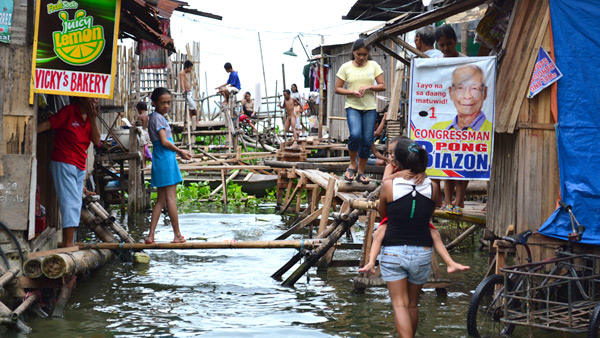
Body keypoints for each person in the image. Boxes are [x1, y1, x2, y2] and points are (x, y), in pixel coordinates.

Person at [356, 137, 437, 338]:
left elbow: (385, 215)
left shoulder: (389, 186)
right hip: (422, 251)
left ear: (397, 163)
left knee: (399, 305)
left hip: (394, 250)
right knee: (412, 304)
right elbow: (433, 208)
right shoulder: (433, 186)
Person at [360, 136, 469, 275]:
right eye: (389, 153)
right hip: (402, 215)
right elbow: (385, 180)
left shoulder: (420, 176)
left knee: (435, 234)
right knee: (380, 232)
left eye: (393, 153)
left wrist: (422, 174)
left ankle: (450, 262)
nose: (390, 156)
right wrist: (398, 174)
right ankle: (371, 262)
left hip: (403, 215)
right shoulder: (392, 168)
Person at [37, 97, 101, 247]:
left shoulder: (91, 118)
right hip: (64, 161)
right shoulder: (69, 112)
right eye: (91, 97)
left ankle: (68, 241)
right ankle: (68, 243)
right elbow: (49, 124)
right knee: (71, 203)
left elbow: (97, 141)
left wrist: (92, 118)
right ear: (81, 98)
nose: (94, 101)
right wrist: (30, 132)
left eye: (97, 98)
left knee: (74, 202)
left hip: (79, 164)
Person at [431, 64, 491, 214]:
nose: (467, 96)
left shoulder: (488, 129)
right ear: (451, 93)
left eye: (475, 88)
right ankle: (447, 200)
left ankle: (459, 200)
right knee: (446, 165)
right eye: (460, 88)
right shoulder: (437, 128)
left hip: (469, 168)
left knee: (465, 166)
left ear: (485, 93)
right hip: (447, 166)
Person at [335, 38, 386, 184]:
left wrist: (369, 87)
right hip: (353, 106)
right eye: (358, 54)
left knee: (367, 140)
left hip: (369, 108)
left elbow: (382, 85)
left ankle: (361, 172)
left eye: (364, 54)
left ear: (368, 53)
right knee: (356, 135)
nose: (362, 57)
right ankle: (352, 165)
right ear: (353, 53)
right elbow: (337, 88)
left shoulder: (373, 65)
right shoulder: (346, 67)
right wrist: (351, 91)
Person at [144, 87, 193, 244]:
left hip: (160, 158)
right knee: (171, 198)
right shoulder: (158, 118)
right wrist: (180, 152)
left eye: (168, 103)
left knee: (161, 200)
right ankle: (177, 235)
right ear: (155, 103)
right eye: (163, 103)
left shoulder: (154, 117)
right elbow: (164, 141)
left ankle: (151, 236)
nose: (166, 106)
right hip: (165, 158)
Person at [179, 60, 198, 129]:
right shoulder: (182, 72)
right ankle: (196, 119)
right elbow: (182, 81)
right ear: (186, 67)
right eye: (190, 68)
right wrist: (183, 89)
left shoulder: (186, 73)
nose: (190, 70)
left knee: (191, 107)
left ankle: (194, 120)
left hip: (189, 92)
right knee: (193, 106)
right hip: (186, 92)